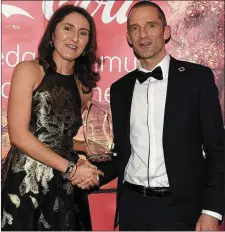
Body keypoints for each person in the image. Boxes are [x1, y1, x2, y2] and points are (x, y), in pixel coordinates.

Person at [77, 1, 225, 231]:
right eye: (135, 28)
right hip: (132, 210)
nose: (143, 35)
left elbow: (218, 149)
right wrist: (94, 175)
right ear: (128, 37)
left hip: (181, 211)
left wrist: (212, 211)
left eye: (151, 26)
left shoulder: (197, 79)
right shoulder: (120, 89)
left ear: (166, 32)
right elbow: (122, 154)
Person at [1, 5, 104, 231]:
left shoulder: (84, 88)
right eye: (67, 28)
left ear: (88, 43)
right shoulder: (29, 70)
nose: (74, 38)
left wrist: (85, 148)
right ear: (53, 33)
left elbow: (57, 137)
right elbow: (18, 135)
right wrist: (72, 169)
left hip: (65, 184)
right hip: (26, 181)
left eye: (83, 33)